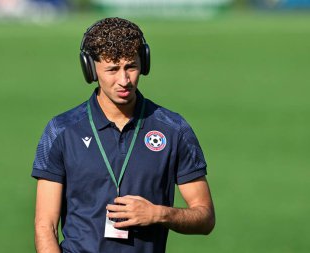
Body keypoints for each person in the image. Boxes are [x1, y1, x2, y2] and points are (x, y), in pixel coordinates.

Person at [31, 17, 215, 253]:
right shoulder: (61, 131)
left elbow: (205, 217)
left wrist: (159, 213)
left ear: (144, 63)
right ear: (90, 69)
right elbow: (45, 226)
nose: (124, 80)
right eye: (112, 69)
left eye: (131, 66)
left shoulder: (174, 129)